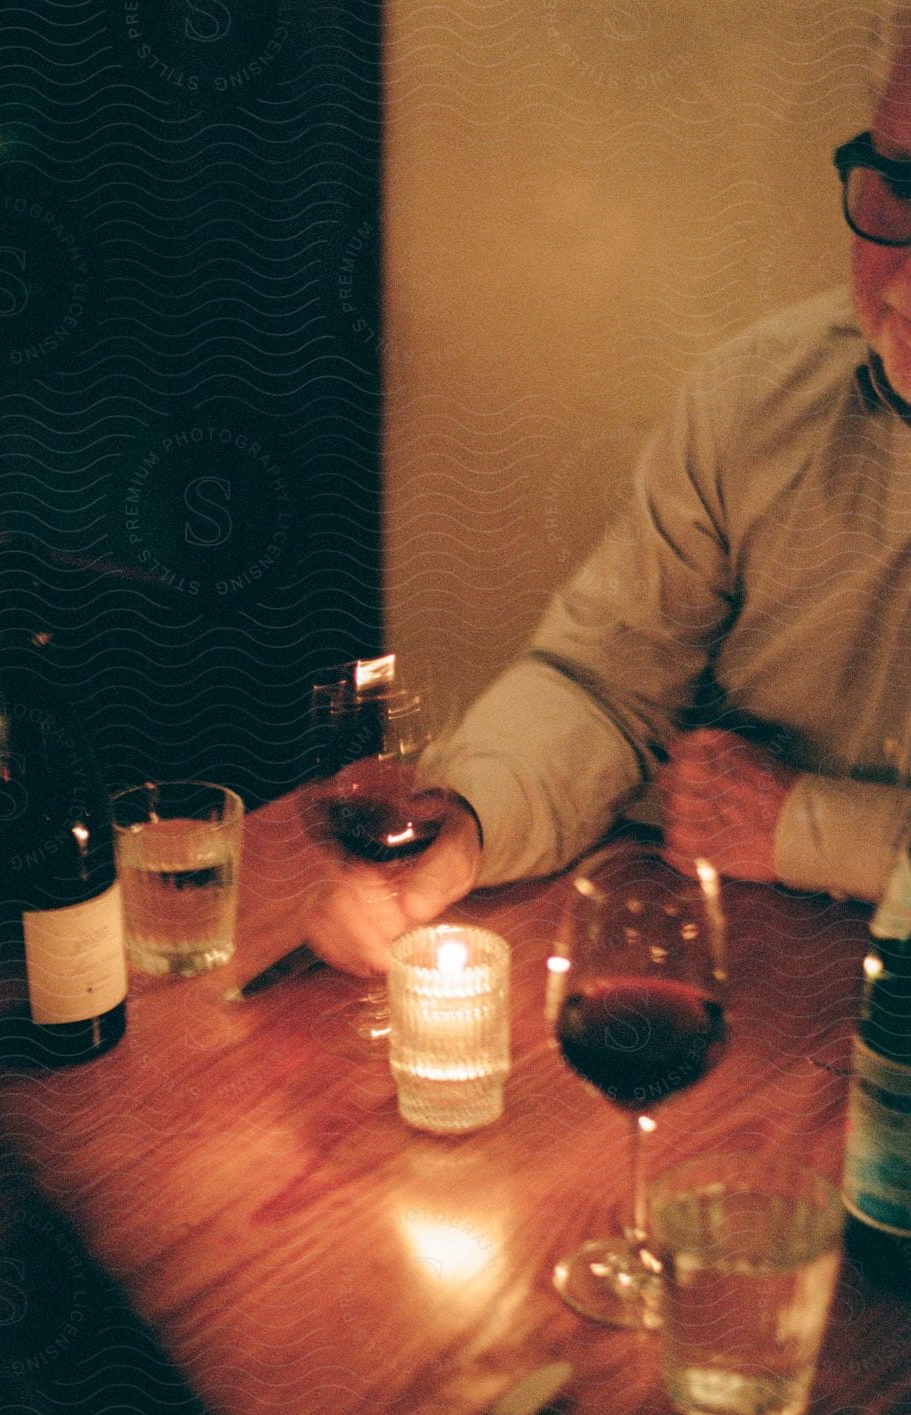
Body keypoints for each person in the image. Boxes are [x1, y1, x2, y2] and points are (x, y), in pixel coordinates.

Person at [306, 4, 911, 978]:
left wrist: (804, 825)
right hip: (731, 976)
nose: (906, 285)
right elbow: (605, 684)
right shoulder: (753, 394)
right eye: (898, 185)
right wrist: (466, 825)